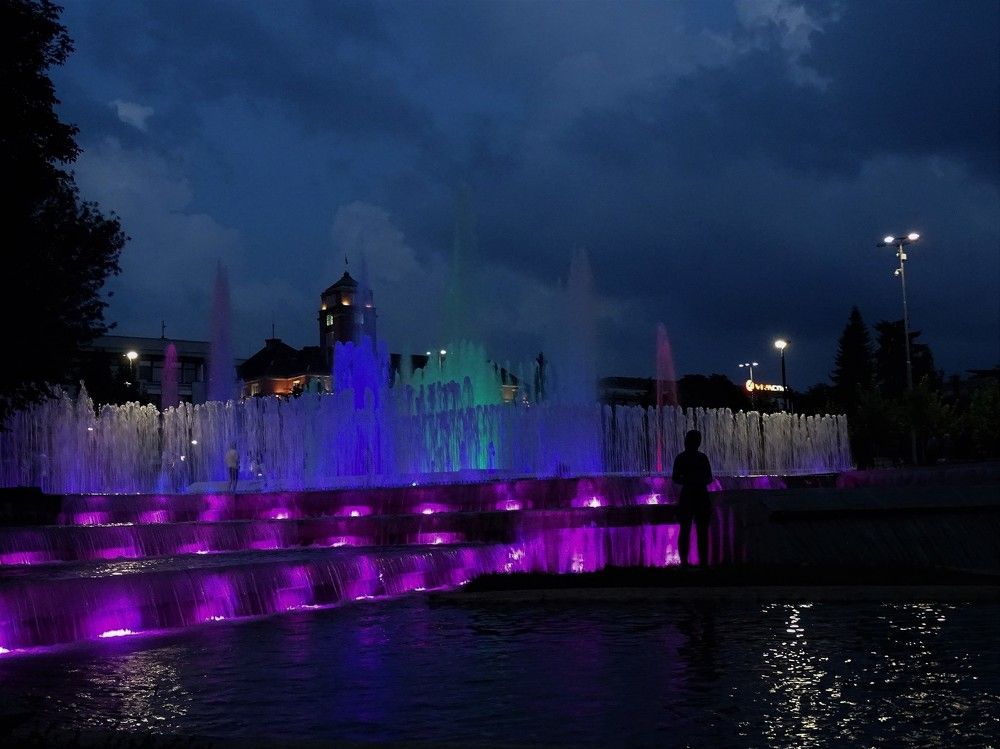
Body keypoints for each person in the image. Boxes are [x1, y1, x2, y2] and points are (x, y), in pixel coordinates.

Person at [672, 429, 713, 568]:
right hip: (698, 495)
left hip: (689, 495)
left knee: (687, 530)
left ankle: (688, 562)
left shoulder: (683, 458)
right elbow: (709, 478)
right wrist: (697, 480)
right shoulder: (700, 458)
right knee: (697, 530)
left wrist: (688, 480)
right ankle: (699, 562)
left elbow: (675, 478)